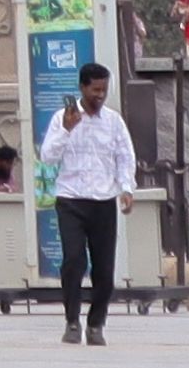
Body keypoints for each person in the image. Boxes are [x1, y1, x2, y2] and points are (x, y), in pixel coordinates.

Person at [38, 58, 135, 345]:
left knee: (104, 269)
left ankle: (96, 323)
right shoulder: (62, 118)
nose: (100, 96)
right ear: (82, 88)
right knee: (74, 261)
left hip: (103, 200)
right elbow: (47, 157)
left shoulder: (114, 121)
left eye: (103, 90)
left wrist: (126, 188)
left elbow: (124, 156)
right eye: (94, 90)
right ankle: (71, 320)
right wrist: (67, 130)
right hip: (71, 199)